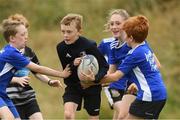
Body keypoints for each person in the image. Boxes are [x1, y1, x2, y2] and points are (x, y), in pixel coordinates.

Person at [98, 15, 167, 119]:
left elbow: (115, 76)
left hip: (149, 95)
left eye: (126, 33)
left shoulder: (134, 54)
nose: (124, 36)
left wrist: (91, 82)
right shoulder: (143, 46)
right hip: (159, 93)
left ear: (130, 38)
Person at [0, 18, 71, 120]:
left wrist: (49, 81)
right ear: (12, 38)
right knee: (8, 118)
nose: (26, 37)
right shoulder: (11, 53)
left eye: (26, 34)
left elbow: (36, 71)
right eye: (23, 34)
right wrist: (62, 74)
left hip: (3, 93)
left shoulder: (13, 51)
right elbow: (37, 68)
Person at [56, 13, 109, 120]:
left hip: (92, 87)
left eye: (69, 32)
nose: (65, 35)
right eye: (63, 31)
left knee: (93, 118)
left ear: (79, 32)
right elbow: (66, 71)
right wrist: (73, 64)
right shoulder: (60, 48)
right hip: (73, 86)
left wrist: (94, 80)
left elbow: (104, 66)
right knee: (68, 115)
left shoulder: (89, 45)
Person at [98, 9, 138, 119]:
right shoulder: (108, 44)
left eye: (118, 23)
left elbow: (154, 64)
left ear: (126, 24)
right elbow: (95, 61)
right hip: (113, 86)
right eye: (111, 24)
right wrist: (95, 79)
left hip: (131, 86)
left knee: (120, 117)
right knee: (125, 114)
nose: (114, 26)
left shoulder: (136, 43)